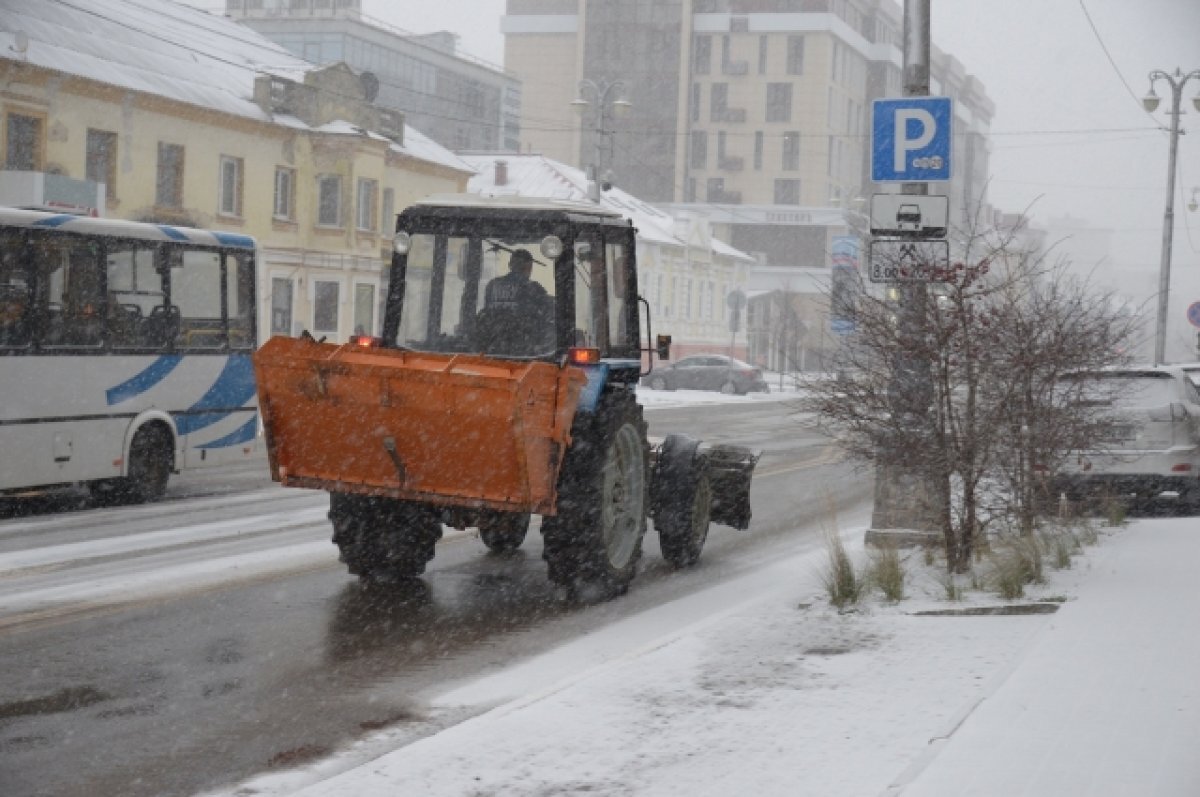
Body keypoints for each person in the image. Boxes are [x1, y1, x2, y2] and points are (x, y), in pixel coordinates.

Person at [480, 249, 553, 353]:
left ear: (510, 265)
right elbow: (550, 309)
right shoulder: (532, 288)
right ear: (528, 267)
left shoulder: (493, 285)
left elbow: (487, 312)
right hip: (521, 349)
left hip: (492, 347)